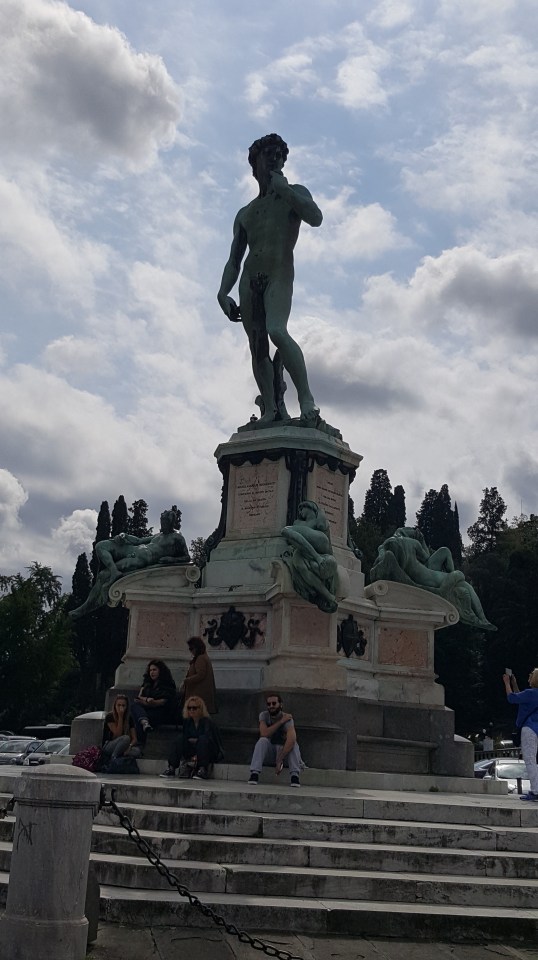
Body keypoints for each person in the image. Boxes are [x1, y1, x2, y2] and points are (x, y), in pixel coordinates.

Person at [217, 133, 323, 427]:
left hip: (278, 271)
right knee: (257, 346)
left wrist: (285, 191)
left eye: (280, 155)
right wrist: (223, 292)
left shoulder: (294, 192)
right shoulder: (246, 213)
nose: (276, 160)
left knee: (277, 330)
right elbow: (234, 259)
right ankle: (271, 409)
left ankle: (306, 399)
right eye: (270, 155)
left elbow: (315, 217)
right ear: (256, 162)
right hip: (250, 278)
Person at [70, 507, 191, 619]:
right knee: (101, 546)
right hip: (133, 549)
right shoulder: (159, 535)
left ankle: (84, 609)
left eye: (164, 523)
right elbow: (139, 541)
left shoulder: (177, 538)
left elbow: (186, 557)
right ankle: (114, 571)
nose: (162, 525)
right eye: (161, 522)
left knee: (103, 575)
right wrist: (125, 536)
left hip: (141, 559)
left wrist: (170, 559)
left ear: (171, 522)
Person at [370, 526, 495, 630]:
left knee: (460, 579)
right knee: (466, 586)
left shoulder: (387, 544)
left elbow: (381, 559)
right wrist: (422, 541)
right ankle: (482, 619)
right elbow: (426, 557)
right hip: (434, 577)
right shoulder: (414, 543)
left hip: (424, 575)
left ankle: (482, 619)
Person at [281, 500, 338, 613]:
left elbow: (322, 525)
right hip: (302, 550)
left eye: (302, 509)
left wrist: (320, 511)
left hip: (321, 545)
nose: (300, 512)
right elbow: (291, 541)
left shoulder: (318, 519)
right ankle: (328, 596)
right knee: (300, 566)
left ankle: (317, 557)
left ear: (309, 507)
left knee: (285, 530)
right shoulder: (297, 522)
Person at [160, 696, 224, 780]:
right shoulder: (188, 722)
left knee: (203, 739)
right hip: (193, 750)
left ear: (200, 709)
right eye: (189, 708)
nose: (191, 710)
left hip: (208, 751)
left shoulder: (208, 722)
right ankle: (171, 768)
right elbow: (186, 738)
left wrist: (196, 740)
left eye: (194, 708)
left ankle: (203, 769)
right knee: (179, 738)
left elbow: (210, 740)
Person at [248, 692, 303, 788]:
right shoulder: (264, 716)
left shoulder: (288, 719)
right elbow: (264, 733)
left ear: (280, 704)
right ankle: (254, 774)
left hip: (284, 754)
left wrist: (280, 759)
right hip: (270, 753)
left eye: (274, 703)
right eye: (268, 704)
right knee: (262, 741)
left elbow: (292, 739)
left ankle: (294, 776)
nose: (271, 706)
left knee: (293, 745)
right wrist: (281, 721)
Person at [503, 669, 538, 801]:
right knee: (534, 760)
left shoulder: (530, 693)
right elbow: (520, 697)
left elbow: (512, 698)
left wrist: (507, 683)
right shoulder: (531, 694)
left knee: (529, 760)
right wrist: (514, 684)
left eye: (531, 675)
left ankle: (535, 791)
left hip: (529, 728)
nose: (529, 676)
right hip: (536, 728)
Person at [131, 659, 178, 742]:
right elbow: (139, 697)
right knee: (134, 706)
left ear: (161, 671)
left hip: (161, 712)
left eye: (154, 670)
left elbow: (161, 702)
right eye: (150, 670)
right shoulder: (147, 683)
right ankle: (145, 722)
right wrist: (147, 699)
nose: (152, 672)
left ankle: (140, 742)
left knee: (137, 717)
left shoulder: (168, 684)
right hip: (147, 709)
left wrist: (147, 702)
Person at [180, 636, 217, 714]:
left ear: (197, 648)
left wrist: (186, 681)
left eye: (191, 648)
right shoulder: (203, 657)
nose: (191, 651)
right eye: (189, 649)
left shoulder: (201, 658)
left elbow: (200, 675)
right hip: (199, 696)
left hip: (198, 695)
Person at [102, 695, 141, 764]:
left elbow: (134, 738)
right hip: (110, 744)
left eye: (123, 705)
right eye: (119, 705)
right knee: (126, 738)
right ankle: (114, 758)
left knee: (137, 751)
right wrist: (120, 717)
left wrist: (130, 746)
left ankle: (120, 755)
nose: (121, 707)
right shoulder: (110, 716)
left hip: (124, 746)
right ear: (115, 706)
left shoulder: (129, 718)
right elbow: (118, 735)